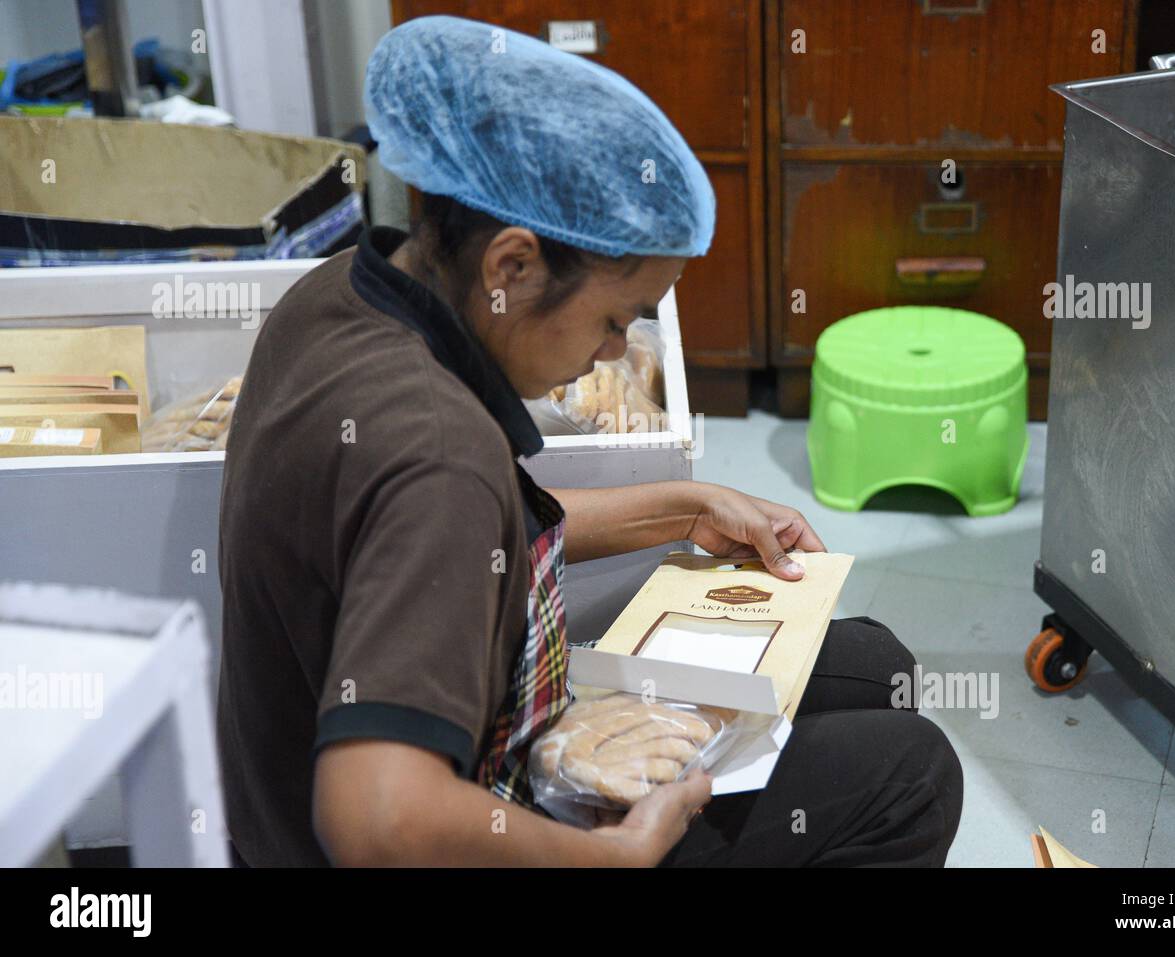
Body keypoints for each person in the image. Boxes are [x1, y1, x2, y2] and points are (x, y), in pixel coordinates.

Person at [217, 15, 962, 867]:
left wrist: (680, 507)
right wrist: (610, 858)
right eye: (614, 319)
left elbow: (447, 540)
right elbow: (376, 816)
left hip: (296, 809)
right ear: (512, 267)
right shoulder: (439, 452)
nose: (614, 352)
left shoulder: (337, 296)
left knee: (876, 666)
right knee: (916, 774)